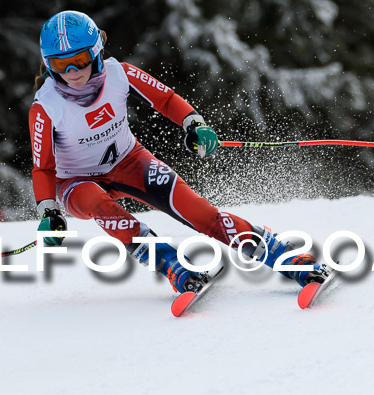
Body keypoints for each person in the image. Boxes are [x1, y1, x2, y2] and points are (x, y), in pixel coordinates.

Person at [30, 10, 329, 293]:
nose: (72, 72)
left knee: (201, 214)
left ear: (96, 52)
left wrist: (194, 125)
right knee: (96, 200)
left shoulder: (120, 74)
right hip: (75, 184)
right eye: (59, 64)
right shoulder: (46, 106)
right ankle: (170, 263)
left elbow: (166, 99)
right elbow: (43, 168)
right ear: (48, 63)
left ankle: (281, 255)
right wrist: (49, 211)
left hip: (130, 161)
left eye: (80, 60)